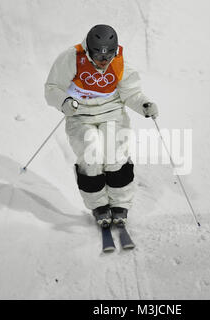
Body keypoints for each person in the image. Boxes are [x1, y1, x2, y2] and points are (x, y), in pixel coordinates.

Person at [44, 24, 158, 228]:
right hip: (81, 115)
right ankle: (98, 205)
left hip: (112, 113)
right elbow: (52, 87)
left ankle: (120, 204)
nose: (103, 62)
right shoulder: (71, 58)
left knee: (114, 154)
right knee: (91, 153)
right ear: (88, 50)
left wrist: (144, 105)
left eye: (108, 57)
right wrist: (64, 102)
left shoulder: (119, 63)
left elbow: (131, 93)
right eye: (98, 57)